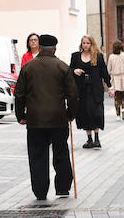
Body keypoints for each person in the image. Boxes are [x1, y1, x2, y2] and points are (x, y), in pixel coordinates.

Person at [13, 33, 78, 200]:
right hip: (58, 119)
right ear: (55, 48)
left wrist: (21, 115)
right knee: (61, 153)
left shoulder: (28, 67)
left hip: (35, 120)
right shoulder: (63, 67)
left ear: (40, 48)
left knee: (37, 157)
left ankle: (40, 192)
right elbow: (72, 95)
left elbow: (19, 94)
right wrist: (70, 114)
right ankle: (63, 187)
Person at [70, 35, 111, 148]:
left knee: (96, 113)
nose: (86, 45)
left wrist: (110, 87)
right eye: (84, 43)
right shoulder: (75, 56)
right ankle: (89, 139)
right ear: (81, 44)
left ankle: (97, 138)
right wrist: (75, 70)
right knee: (84, 113)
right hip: (81, 90)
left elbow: (104, 73)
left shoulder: (98, 56)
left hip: (95, 90)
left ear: (91, 44)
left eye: (88, 43)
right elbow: (69, 70)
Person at [107, 41, 124, 120]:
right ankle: (123, 109)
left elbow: (108, 69)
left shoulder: (111, 57)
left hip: (115, 78)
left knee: (116, 97)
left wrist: (108, 80)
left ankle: (118, 116)